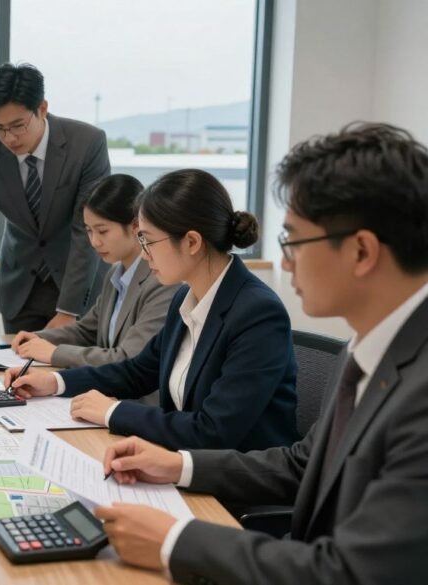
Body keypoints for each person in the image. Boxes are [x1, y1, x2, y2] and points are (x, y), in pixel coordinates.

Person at [92, 123, 428, 584]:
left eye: (293, 241)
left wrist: (175, 542)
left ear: (361, 251)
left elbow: (351, 572)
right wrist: (177, 464)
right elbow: (300, 464)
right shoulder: (372, 349)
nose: (285, 262)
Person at [6, 169, 299, 451]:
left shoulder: (257, 313)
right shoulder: (186, 297)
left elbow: (214, 431)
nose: (144, 254)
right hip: (181, 461)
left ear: (192, 242)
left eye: (147, 240)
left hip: (231, 488)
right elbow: (137, 372)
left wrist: (113, 411)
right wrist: (55, 382)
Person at [0, 62, 110, 348]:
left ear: (42, 109)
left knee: (76, 380)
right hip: (20, 291)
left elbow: (85, 232)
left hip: (79, 291)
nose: (9, 138)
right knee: (18, 380)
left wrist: (68, 310)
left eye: (17, 126)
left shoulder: (86, 144)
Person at [11, 174, 178, 370]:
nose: (94, 242)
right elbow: (86, 331)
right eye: (89, 230)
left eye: (102, 231)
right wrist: (38, 338)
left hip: (136, 398)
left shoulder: (162, 281)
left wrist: (53, 353)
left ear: (135, 226)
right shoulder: (115, 273)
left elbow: (129, 357)